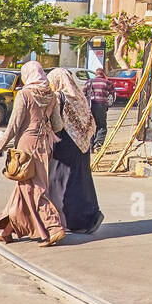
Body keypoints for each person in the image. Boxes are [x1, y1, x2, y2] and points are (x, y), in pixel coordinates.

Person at [0, 61, 66, 247]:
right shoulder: (51, 96)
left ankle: (54, 227)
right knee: (24, 188)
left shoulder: (24, 94)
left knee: (35, 189)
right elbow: (58, 126)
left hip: (26, 148)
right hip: (45, 146)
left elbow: (13, 126)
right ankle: (7, 231)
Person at [47, 68, 104, 235]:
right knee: (81, 180)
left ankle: (64, 220)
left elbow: (56, 124)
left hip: (65, 144)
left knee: (59, 182)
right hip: (83, 144)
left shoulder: (58, 97)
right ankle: (90, 217)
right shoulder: (78, 96)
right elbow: (91, 121)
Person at [84, 68, 114, 150]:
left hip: (90, 106)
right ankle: (98, 144)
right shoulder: (107, 82)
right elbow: (112, 94)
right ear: (103, 74)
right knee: (101, 125)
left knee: (90, 126)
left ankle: (90, 146)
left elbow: (83, 94)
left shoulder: (89, 82)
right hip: (101, 106)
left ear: (95, 74)